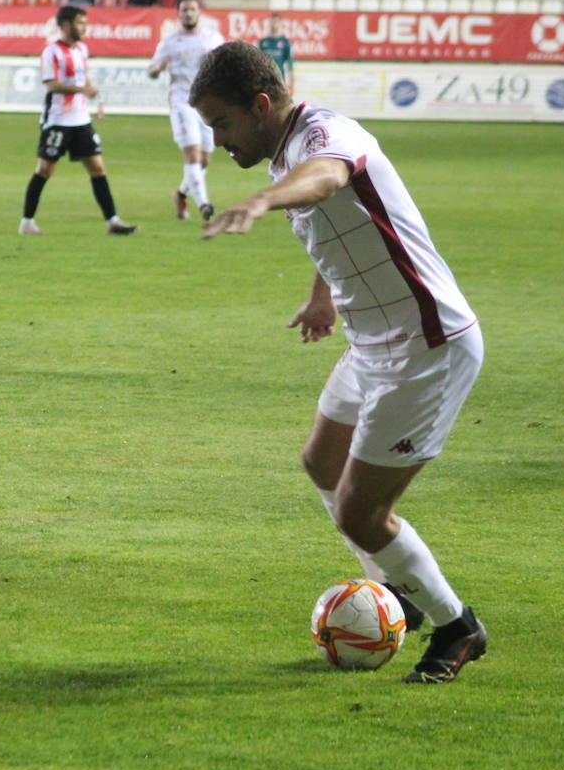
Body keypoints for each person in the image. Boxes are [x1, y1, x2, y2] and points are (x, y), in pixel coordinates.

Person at [191, 41, 488, 684]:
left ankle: (457, 626)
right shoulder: (284, 155)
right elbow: (332, 221)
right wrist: (321, 297)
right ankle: (394, 592)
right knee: (320, 461)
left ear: (261, 105)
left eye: (222, 123)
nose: (218, 142)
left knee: (359, 510)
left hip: (425, 346)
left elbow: (328, 178)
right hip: (372, 340)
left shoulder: (328, 133)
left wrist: (265, 204)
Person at [19, 5, 137, 237]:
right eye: (80, 22)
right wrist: (83, 90)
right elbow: (51, 84)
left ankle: (112, 221)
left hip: (81, 120)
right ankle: (27, 222)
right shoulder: (51, 52)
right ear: (65, 25)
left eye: (84, 22)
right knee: (44, 170)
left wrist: (96, 97)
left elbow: (84, 78)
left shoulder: (82, 49)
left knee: (97, 167)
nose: (84, 27)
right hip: (57, 121)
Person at [147, 0, 223, 221]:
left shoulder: (213, 38)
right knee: (192, 154)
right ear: (178, 14)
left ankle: (181, 194)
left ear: (199, 12)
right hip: (182, 102)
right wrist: (157, 68)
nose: (188, 13)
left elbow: (225, 64)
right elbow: (151, 71)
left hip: (208, 103)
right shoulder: (170, 42)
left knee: (205, 159)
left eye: (192, 9)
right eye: (184, 10)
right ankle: (204, 204)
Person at [257, 12, 295, 94]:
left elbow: (290, 62)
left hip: (280, 79)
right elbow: (258, 61)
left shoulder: (285, 42)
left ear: (281, 23)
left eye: (276, 22)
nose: (274, 24)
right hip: (265, 79)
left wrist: (292, 82)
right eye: (272, 21)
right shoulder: (263, 42)